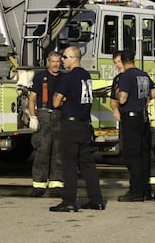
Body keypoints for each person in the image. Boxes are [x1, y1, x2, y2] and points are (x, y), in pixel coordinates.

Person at [49, 46, 106, 212]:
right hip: (84, 124)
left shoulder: (68, 77)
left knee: (69, 164)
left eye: (64, 57)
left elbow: (55, 102)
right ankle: (96, 200)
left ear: (73, 58)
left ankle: (69, 201)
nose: (62, 61)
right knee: (88, 164)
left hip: (71, 124)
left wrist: (64, 99)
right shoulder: (86, 76)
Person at [115, 50, 155, 202]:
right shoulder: (143, 74)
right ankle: (145, 189)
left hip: (131, 118)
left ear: (123, 60)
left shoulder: (126, 76)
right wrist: (144, 98)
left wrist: (120, 95)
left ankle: (135, 191)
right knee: (143, 155)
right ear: (133, 59)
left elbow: (122, 99)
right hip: (143, 118)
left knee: (132, 155)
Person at [27, 51, 64, 197]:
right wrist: (33, 117)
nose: (56, 64)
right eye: (53, 61)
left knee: (58, 150)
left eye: (58, 61)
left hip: (59, 115)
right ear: (48, 62)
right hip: (43, 115)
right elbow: (32, 98)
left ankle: (56, 183)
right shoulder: (39, 77)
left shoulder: (64, 77)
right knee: (42, 150)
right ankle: (39, 184)